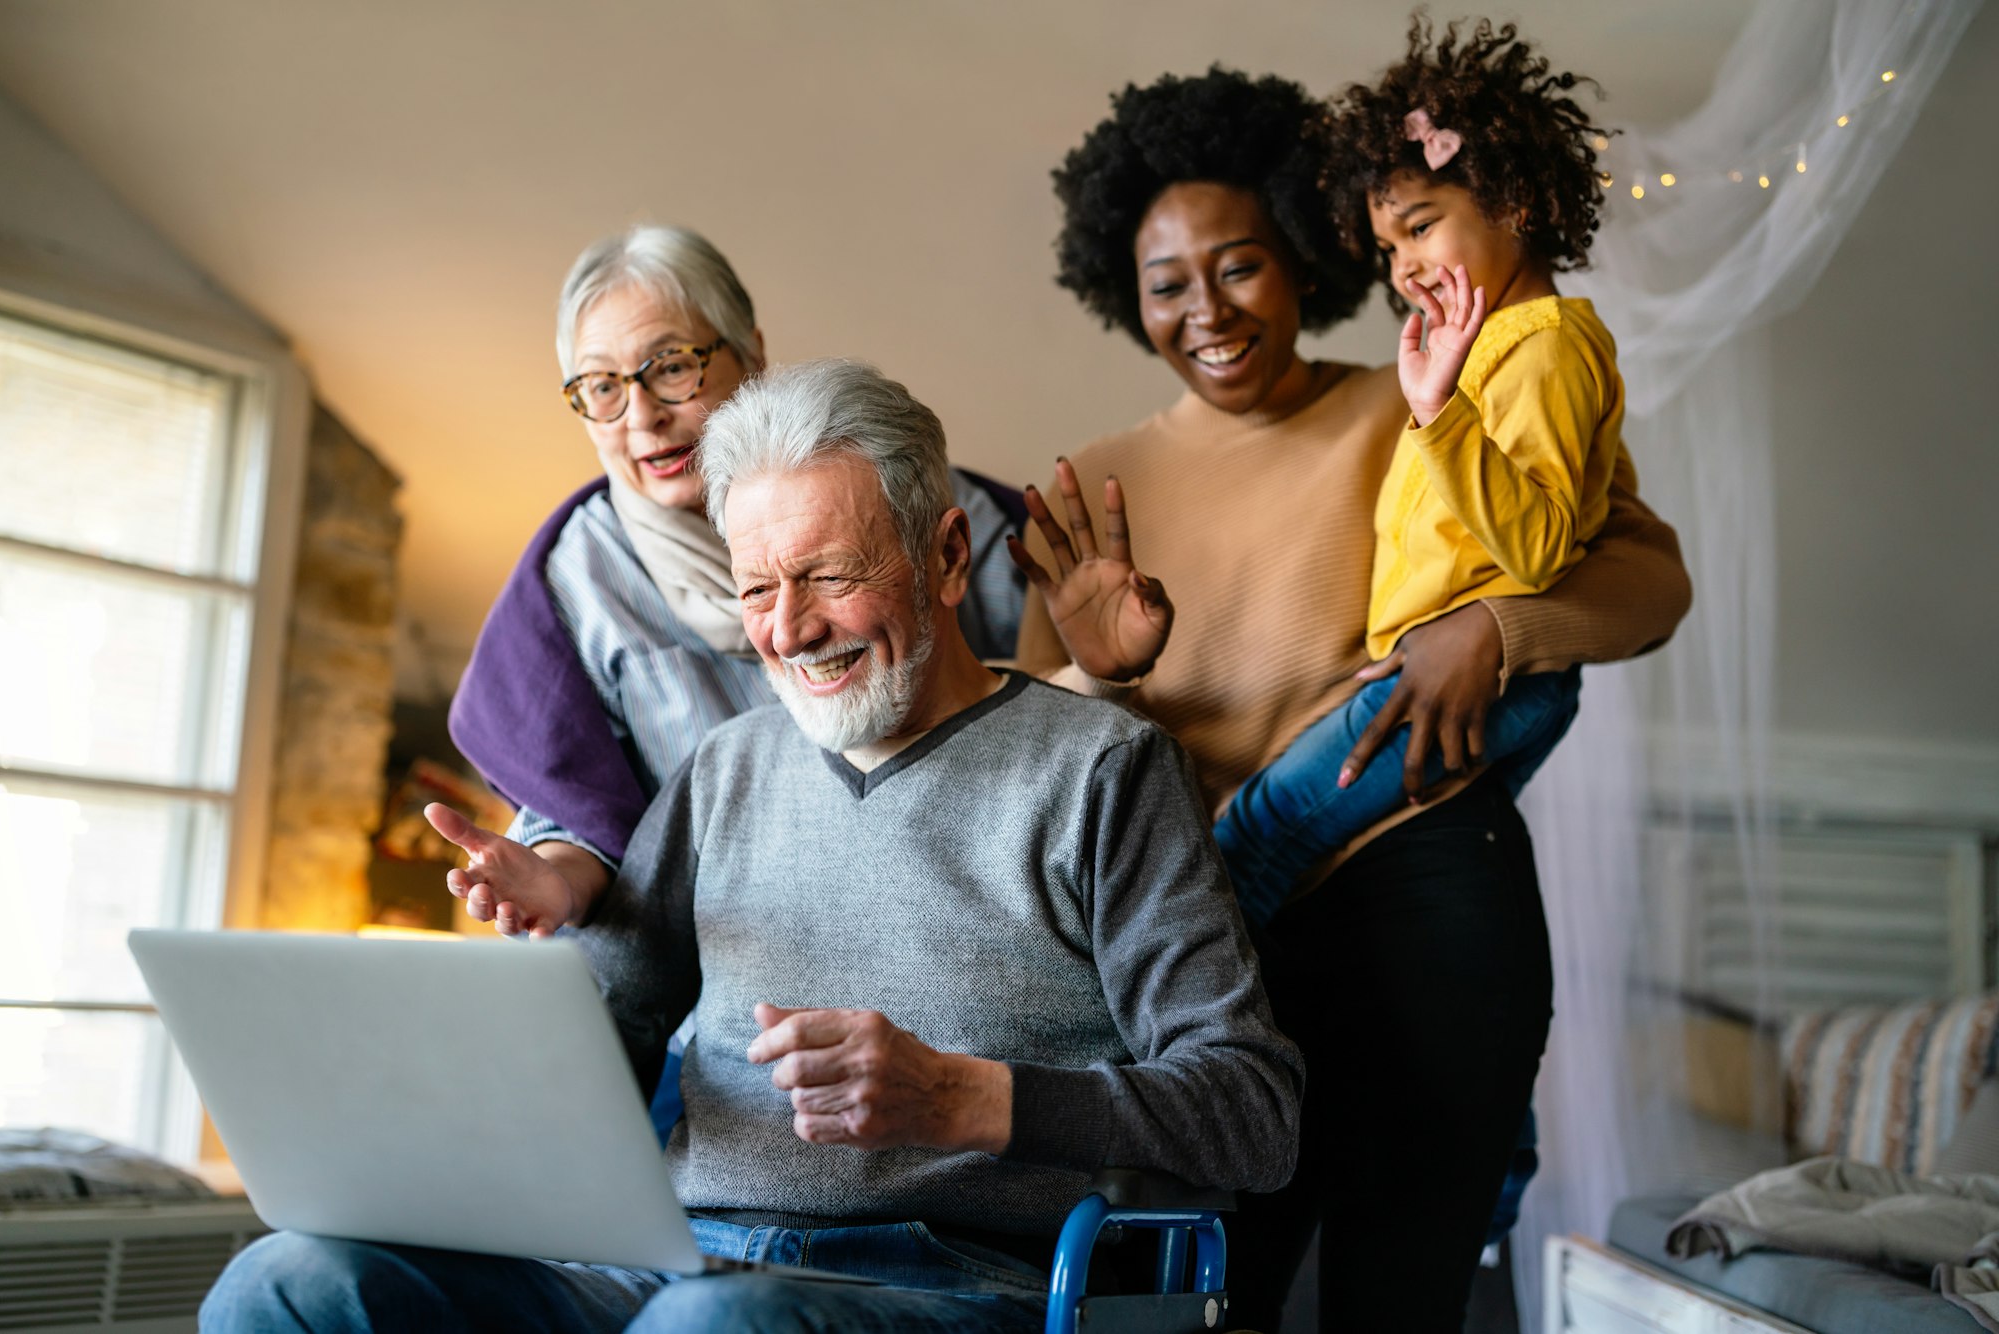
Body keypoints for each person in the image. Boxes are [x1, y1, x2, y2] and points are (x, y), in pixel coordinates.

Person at [201, 359, 1303, 1334]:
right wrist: (503, 997)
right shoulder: (723, 768)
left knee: (717, 1323)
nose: (791, 627)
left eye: (829, 575)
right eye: (757, 588)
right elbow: (605, 1036)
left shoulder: (1101, 771)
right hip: (671, 1267)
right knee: (290, 1282)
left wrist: (965, 1097)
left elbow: (1251, 1113)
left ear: (948, 552)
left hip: (952, 1284)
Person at [1012, 65, 1691, 1332]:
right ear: (1126, 292)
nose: (1205, 310)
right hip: (1214, 950)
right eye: (1167, 283)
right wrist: (1092, 671)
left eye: (1240, 264)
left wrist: (1494, 629)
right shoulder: (1088, 485)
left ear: (1304, 261)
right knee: (1215, 1299)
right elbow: (1038, 775)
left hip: (1426, 889)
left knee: (1398, 1295)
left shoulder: (1425, 385)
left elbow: (1648, 578)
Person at [446, 225, 1025, 917]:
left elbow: (1039, 704)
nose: (643, 416)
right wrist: (552, 883)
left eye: (670, 366)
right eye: (601, 386)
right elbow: (586, 823)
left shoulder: (896, 500)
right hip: (734, 946)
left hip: (953, 898)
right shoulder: (579, 588)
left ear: (751, 353)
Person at [1212, 20, 1626, 927]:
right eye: (1390, 249)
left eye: (1422, 228)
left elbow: (1542, 546)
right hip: (1445, 671)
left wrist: (1440, 417)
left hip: (1502, 678)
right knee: (1336, 864)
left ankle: (1184, 1048)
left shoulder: (1546, 350)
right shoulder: (1492, 350)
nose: (1405, 268)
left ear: (1515, 202)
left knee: (1253, 836)